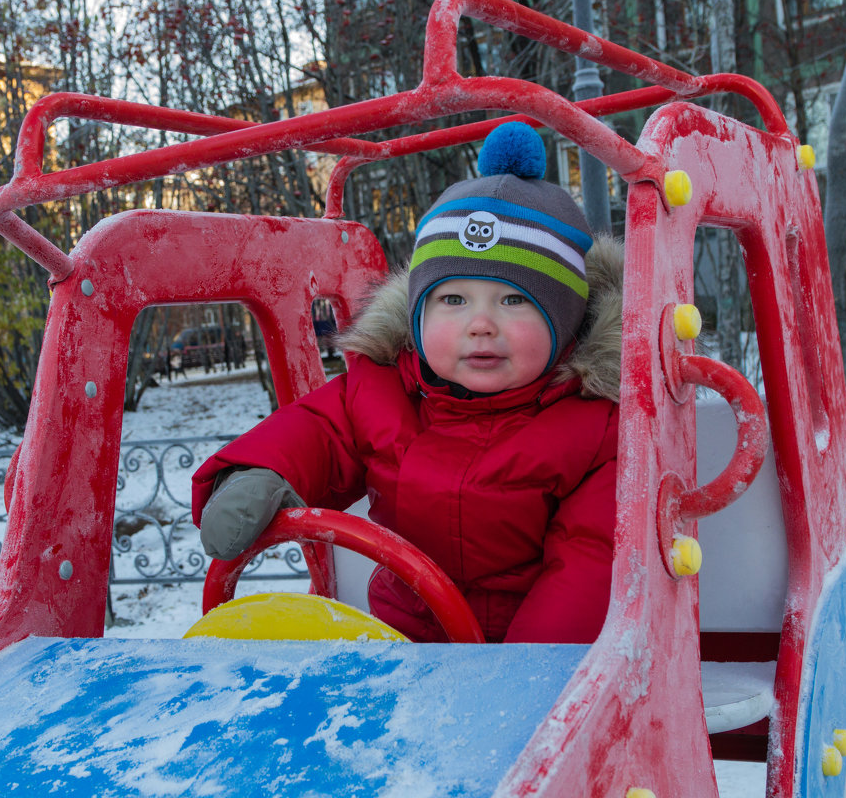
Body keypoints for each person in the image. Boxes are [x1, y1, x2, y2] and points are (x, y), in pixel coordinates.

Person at [191, 122, 622, 644]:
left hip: (527, 660)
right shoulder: (383, 388)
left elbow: (588, 567)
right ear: (417, 315)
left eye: (514, 301)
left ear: (566, 321)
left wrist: (523, 678)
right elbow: (317, 432)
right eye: (453, 300)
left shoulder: (594, 426)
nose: (480, 324)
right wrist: (257, 473)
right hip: (401, 645)